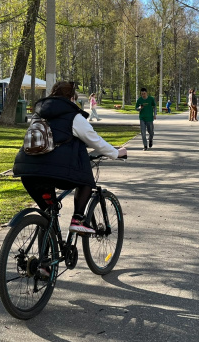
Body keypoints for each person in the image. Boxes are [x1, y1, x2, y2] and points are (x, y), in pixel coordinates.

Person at [13, 81, 126, 235]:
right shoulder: (74, 116)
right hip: (54, 173)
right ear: (72, 98)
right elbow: (95, 140)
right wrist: (116, 153)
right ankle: (78, 219)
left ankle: (46, 252)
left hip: (27, 171)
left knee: (48, 213)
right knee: (85, 180)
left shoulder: (38, 113)